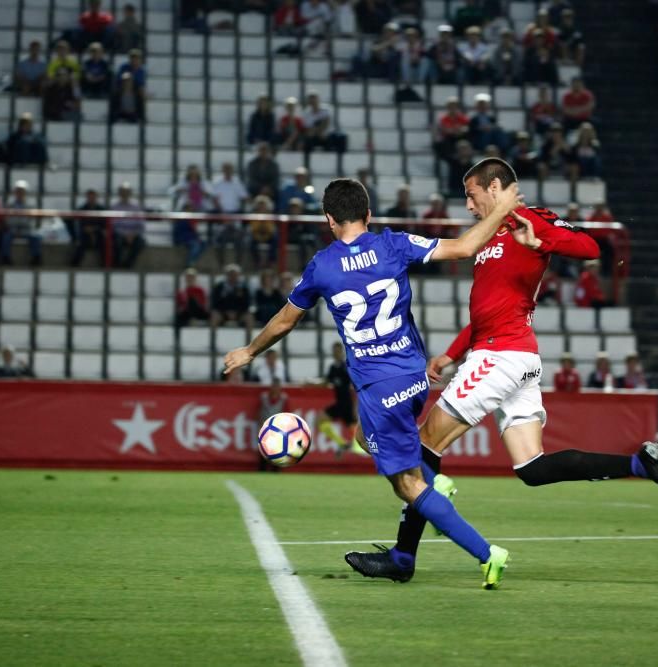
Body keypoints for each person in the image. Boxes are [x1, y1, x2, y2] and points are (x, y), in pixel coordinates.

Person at [341, 159, 658, 584]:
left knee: (423, 446)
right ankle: (641, 465)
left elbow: (591, 247)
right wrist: (453, 353)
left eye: (472, 196)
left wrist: (539, 241)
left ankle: (402, 559)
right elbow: (488, 307)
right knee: (532, 468)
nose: (470, 207)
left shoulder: (529, 219)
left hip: (501, 356)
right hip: (510, 356)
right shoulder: (490, 230)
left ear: (494, 186)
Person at [223, 176, 525, 588]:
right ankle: (436, 489)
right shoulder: (393, 244)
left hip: (379, 388)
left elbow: (285, 320)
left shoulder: (322, 265)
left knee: (407, 486)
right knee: (365, 440)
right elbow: (466, 247)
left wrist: (249, 352)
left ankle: (487, 554)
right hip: (414, 378)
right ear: (368, 214)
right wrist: (503, 209)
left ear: (329, 219)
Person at [316, 341, 362, 456]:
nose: (336, 353)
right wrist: (310, 384)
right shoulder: (333, 368)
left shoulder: (346, 367)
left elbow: (355, 387)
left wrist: (355, 407)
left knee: (355, 431)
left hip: (347, 403)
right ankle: (342, 443)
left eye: (338, 351)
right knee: (320, 420)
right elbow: (326, 382)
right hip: (339, 403)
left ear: (342, 352)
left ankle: (362, 451)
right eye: (334, 351)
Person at [0, 180, 42, 266]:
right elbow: (7, 220)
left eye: (22, 191)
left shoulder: (31, 205)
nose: (20, 193)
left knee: (36, 237)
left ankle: (36, 258)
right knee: (5, 237)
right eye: (18, 191)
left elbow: (32, 220)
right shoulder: (9, 205)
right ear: (15, 192)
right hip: (12, 229)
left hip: (26, 230)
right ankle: (5, 258)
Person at [110, 182, 145, 268]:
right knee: (116, 242)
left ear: (130, 193)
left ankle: (127, 265)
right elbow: (114, 225)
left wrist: (132, 235)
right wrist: (125, 235)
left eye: (126, 192)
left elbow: (141, 225)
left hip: (134, 235)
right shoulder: (115, 207)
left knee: (140, 243)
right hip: (120, 234)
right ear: (119, 193)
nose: (124, 194)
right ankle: (116, 265)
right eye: (122, 192)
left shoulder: (136, 207)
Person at [210, 264, 255, 331]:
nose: (233, 276)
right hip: (223, 313)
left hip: (240, 313)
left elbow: (247, 303)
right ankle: (213, 339)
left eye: (235, 274)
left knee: (249, 317)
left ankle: (250, 340)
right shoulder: (219, 287)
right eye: (230, 274)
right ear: (226, 275)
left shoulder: (244, 288)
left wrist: (236, 312)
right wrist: (226, 311)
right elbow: (214, 302)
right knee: (214, 316)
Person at [69, 189, 106, 267]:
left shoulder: (102, 209)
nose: (91, 199)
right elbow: (80, 224)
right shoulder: (82, 209)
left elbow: (103, 224)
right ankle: (74, 264)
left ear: (96, 198)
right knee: (81, 241)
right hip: (84, 233)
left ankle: (105, 264)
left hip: (98, 232)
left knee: (104, 241)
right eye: (90, 197)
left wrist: (94, 229)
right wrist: (88, 230)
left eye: (93, 197)